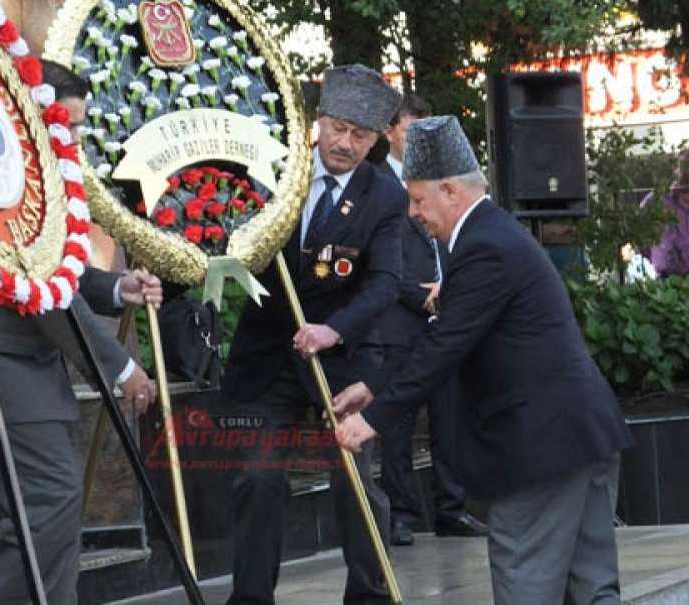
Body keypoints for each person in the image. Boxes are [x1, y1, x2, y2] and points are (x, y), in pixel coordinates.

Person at [333, 116, 634, 605]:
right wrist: (375, 387)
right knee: (593, 591)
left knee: (527, 587)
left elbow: (443, 349)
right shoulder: (492, 236)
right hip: (582, 436)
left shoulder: (483, 247)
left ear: (449, 191)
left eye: (417, 199)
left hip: (542, 450)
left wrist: (371, 420)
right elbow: (445, 336)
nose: (413, 213)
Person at [0, 62, 164, 604]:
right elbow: (42, 295)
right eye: (66, 125)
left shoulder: (22, 172)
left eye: (80, 127)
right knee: (49, 503)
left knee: (45, 511)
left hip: (15, 374)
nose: (75, 138)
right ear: (27, 115)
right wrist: (121, 368)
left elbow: (53, 273)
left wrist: (117, 290)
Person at [221, 64, 405, 604]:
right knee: (257, 480)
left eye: (361, 135)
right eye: (338, 128)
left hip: (340, 361)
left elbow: (387, 283)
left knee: (357, 488)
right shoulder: (277, 173)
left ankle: (369, 596)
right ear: (318, 121)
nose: (345, 144)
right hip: (268, 358)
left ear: (376, 140)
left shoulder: (384, 197)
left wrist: (335, 330)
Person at [374, 94, 487, 546]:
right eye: (409, 126)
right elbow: (379, 257)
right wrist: (416, 298)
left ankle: (451, 509)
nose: (417, 135)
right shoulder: (379, 185)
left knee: (449, 418)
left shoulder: (445, 184)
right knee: (398, 420)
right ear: (390, 131)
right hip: (401, 318)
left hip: (445, 315)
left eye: (424, 126)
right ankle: (401, 514)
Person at [641, 148, 689, 278]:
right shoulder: (656, 200)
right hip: (668, 280)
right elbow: (639, 236)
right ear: (676, 169)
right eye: (686, 168)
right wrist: (657, 257)